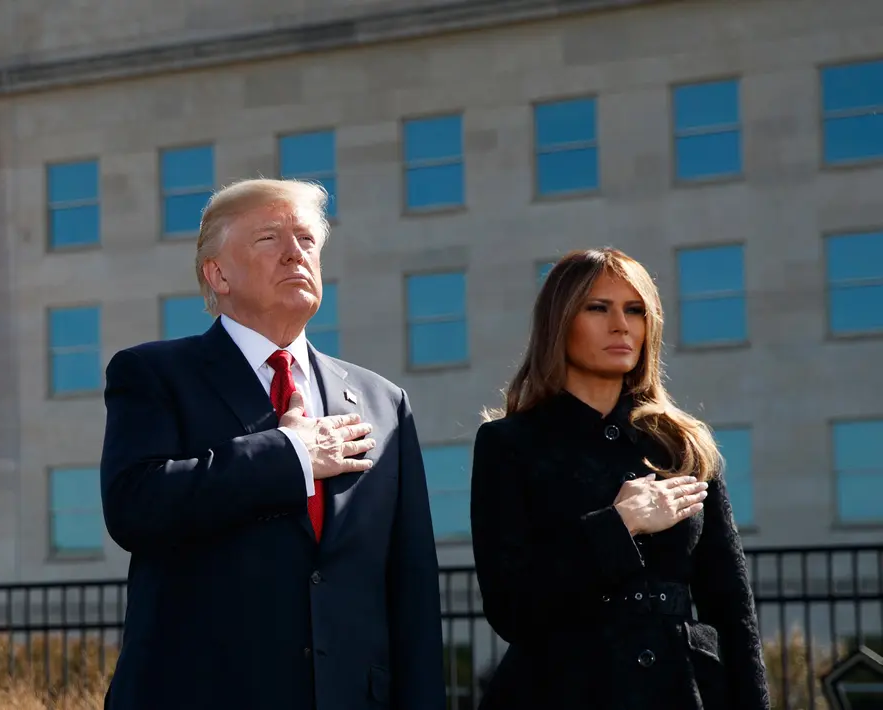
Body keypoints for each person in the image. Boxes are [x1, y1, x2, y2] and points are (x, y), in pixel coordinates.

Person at [99, 178, 446, 710]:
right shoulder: (154, 374)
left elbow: (412, 586)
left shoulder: (382, 400)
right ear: (218, 273)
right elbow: (134, 506)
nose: (294, 254)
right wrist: (290, 456)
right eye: (269, 240)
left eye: (306, 240)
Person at [469, 248, 769, 710]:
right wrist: (617, 525)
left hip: (682, 691)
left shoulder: (682, 444)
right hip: (563, 691)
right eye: (598, 308)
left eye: (635, 310)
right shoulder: (510, 443)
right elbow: (511, 608)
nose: (621, 325)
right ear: (560, 321)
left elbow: (732, 608)